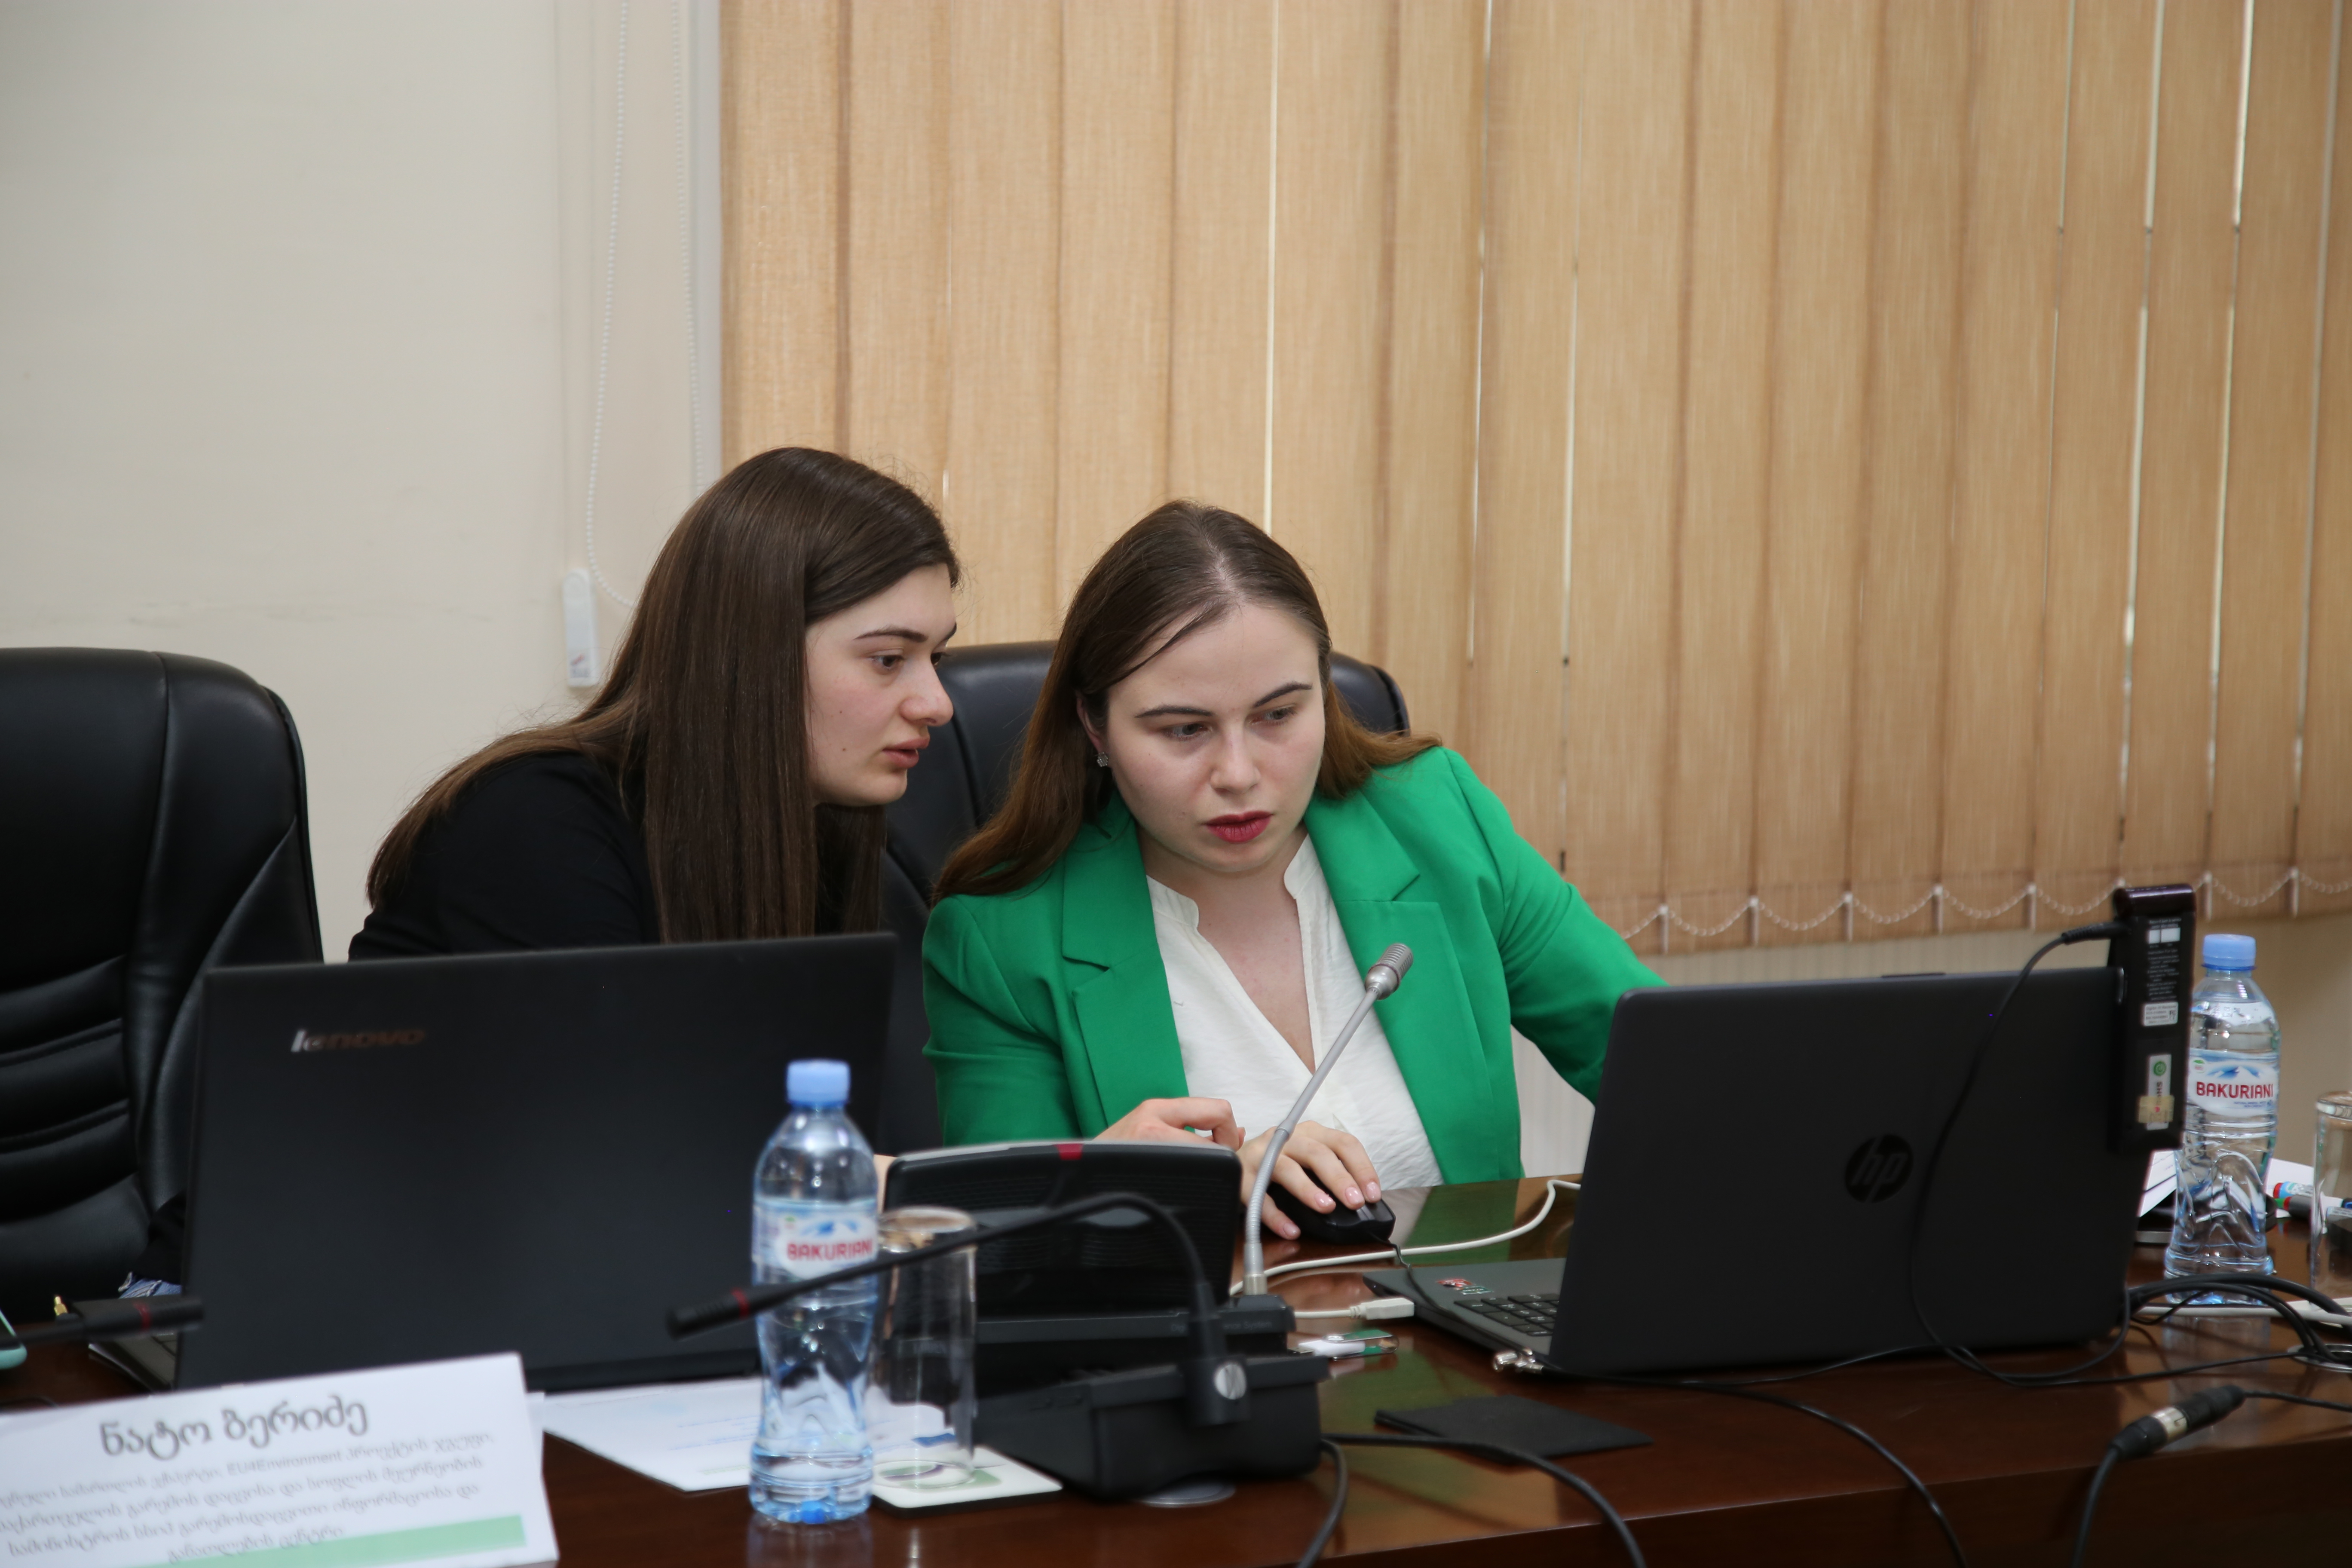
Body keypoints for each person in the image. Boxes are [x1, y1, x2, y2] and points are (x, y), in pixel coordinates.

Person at [921, 501, 1658, 1238]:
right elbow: (1000, 1245)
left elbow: (1675, 1070)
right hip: (1212, 1316)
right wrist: (1191, 1190)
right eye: (1184, 729)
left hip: (1468, 1312)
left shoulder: (1438, 820)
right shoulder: (1002, 939)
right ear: (1095, 726)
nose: (1239, 774)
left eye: (1277, 716)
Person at [352, 447, 958, 957]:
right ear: (750, 656)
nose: (937, 704)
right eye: (888, 660)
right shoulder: (538, 825)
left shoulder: (828, 825)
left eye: (937, 659)